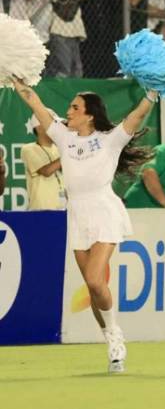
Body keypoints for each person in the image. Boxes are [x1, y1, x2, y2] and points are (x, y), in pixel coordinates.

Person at [13, 79, 156, 373]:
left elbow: (135, 117)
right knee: (95, 288)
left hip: (104, 209)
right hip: (77, 213)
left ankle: (115, 333)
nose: (69, 110)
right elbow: (35, 103)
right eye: (70, 106)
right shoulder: (63, 136)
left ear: (90, 114)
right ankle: (111, 341)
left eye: (75, 107)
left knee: (93, 279)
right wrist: (17, 79)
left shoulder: (110, 139)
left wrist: (152, 94)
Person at [20, 109, 65, 210]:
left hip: (63, 210)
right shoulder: (29, 149)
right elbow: (46, 171)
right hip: (41, 212)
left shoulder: (59, 149)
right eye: (52, 124)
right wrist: (67, 152)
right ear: (39, 128)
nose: (56, 129)